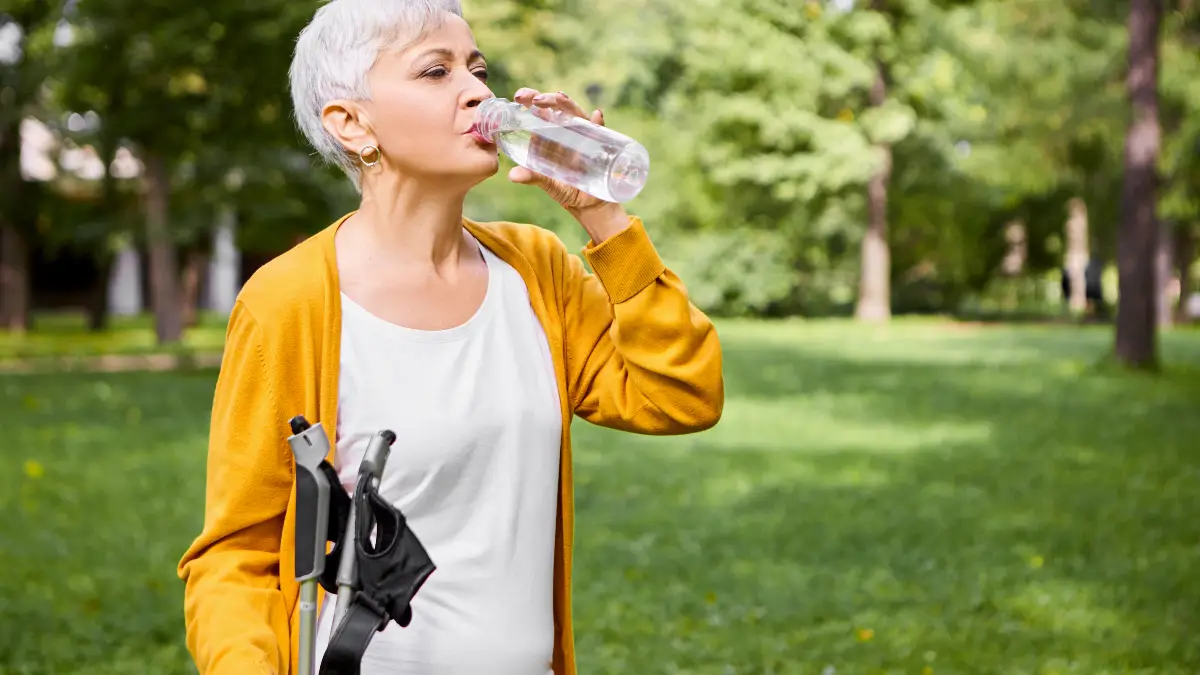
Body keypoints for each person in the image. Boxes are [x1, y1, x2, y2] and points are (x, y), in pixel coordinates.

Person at [174, 1, 725, 674]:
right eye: (435, 72)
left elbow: (681, 395)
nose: (476, 91)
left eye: (477, 68)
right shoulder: (289, 302)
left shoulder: (537, 271)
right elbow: (237, 555)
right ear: (353, 124)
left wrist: (603, 214)